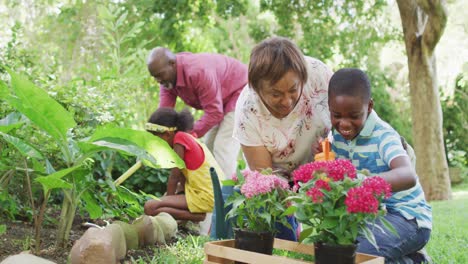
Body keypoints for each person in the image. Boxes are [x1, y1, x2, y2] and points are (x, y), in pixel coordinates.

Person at [233, 36, 333, 241]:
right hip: (277, 176)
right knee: (280, 234)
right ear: (257, 88)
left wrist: (326, 160)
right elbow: (265, 176)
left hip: (321, 163)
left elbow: (347, 117)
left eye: (293, 90)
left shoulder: (319, 75)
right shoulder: (248, 110)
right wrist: (294, 205)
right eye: (275, 94)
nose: (287, 101)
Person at [328, 68, 432, 263]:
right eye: (336, 115)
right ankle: (412, 260)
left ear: (369, 107)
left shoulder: (383, 136)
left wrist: (362, 182)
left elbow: (407, 175)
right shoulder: (338, 139)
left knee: (361, 255)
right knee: (335, 249)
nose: (344, 124)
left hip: (407, 217)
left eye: (353, 115)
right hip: (372, 219)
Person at [146, 47, 248, 181]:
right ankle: (213, 192)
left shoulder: (197, 72)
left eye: (159, 75)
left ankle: (229, 196)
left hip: (241, 92)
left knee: (223, 147)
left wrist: (186, 136)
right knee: (208, 148)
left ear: (172, 64)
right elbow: (164, 113)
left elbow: (214, 113)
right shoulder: (167, 81)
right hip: (221, 102)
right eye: (155, 77)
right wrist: (155, 139)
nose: (158, 81)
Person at [143, 108, 225, 223]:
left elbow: (174, 177)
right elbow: (182, 178)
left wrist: (167, 199)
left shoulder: (180, 139)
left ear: (167, 134)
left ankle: (196, 216)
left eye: (157, 139)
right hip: (209, 193)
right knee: (160, 202)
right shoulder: (188, 137)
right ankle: (192, 215)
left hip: (206, 196)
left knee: (150, 207)